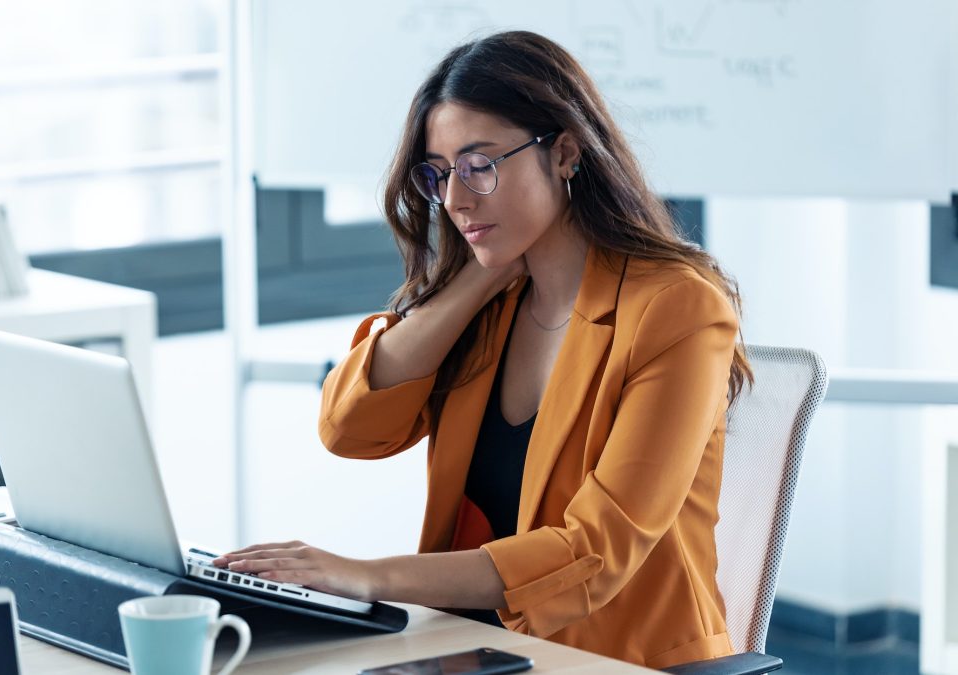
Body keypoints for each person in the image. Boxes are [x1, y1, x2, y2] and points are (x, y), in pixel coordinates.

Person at [213, 30, 752, 669]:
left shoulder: (677, 306)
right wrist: (477, 279)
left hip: (613, 657)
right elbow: (349, 429)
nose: (455, 199)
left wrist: (367, 576)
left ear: (565, 154)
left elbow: (596, 551)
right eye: (439, 174)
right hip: (471, 648)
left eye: (481, 165)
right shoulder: (489, 307)